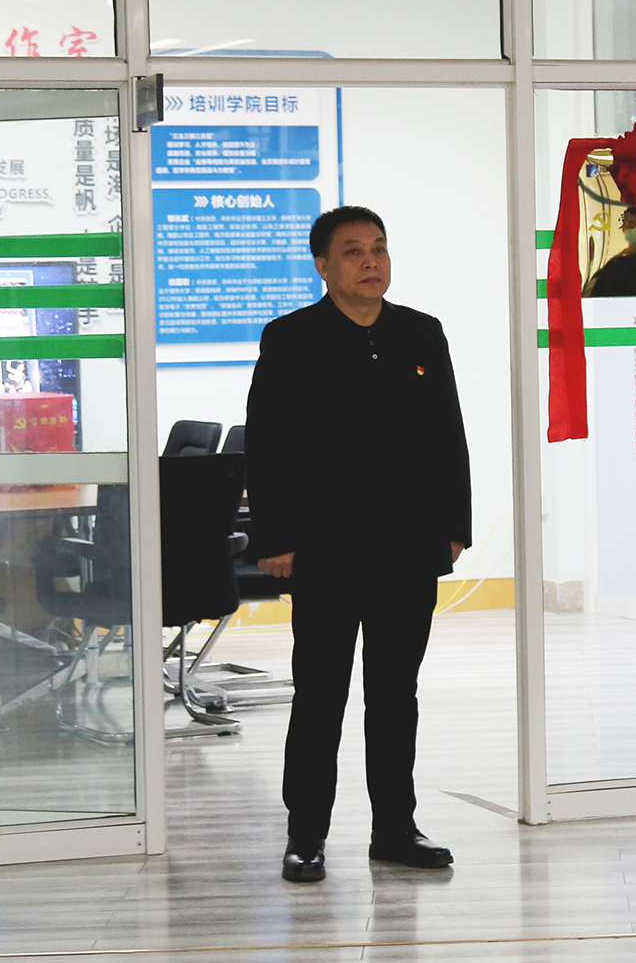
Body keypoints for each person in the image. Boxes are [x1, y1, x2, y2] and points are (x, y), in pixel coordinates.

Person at [245, 205, 472, 883]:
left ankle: (395, 829)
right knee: (320, 697)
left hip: (408, 545)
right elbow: (268, 444)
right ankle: (306, 835)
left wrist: (454, 526)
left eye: (379, 248)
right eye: (352, 251)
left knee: (396, 695)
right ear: (322, 265)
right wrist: (275, 537)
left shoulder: (421, 332)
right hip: (327, 548)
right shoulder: (292, 338)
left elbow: (448, 433)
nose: (370, 261)